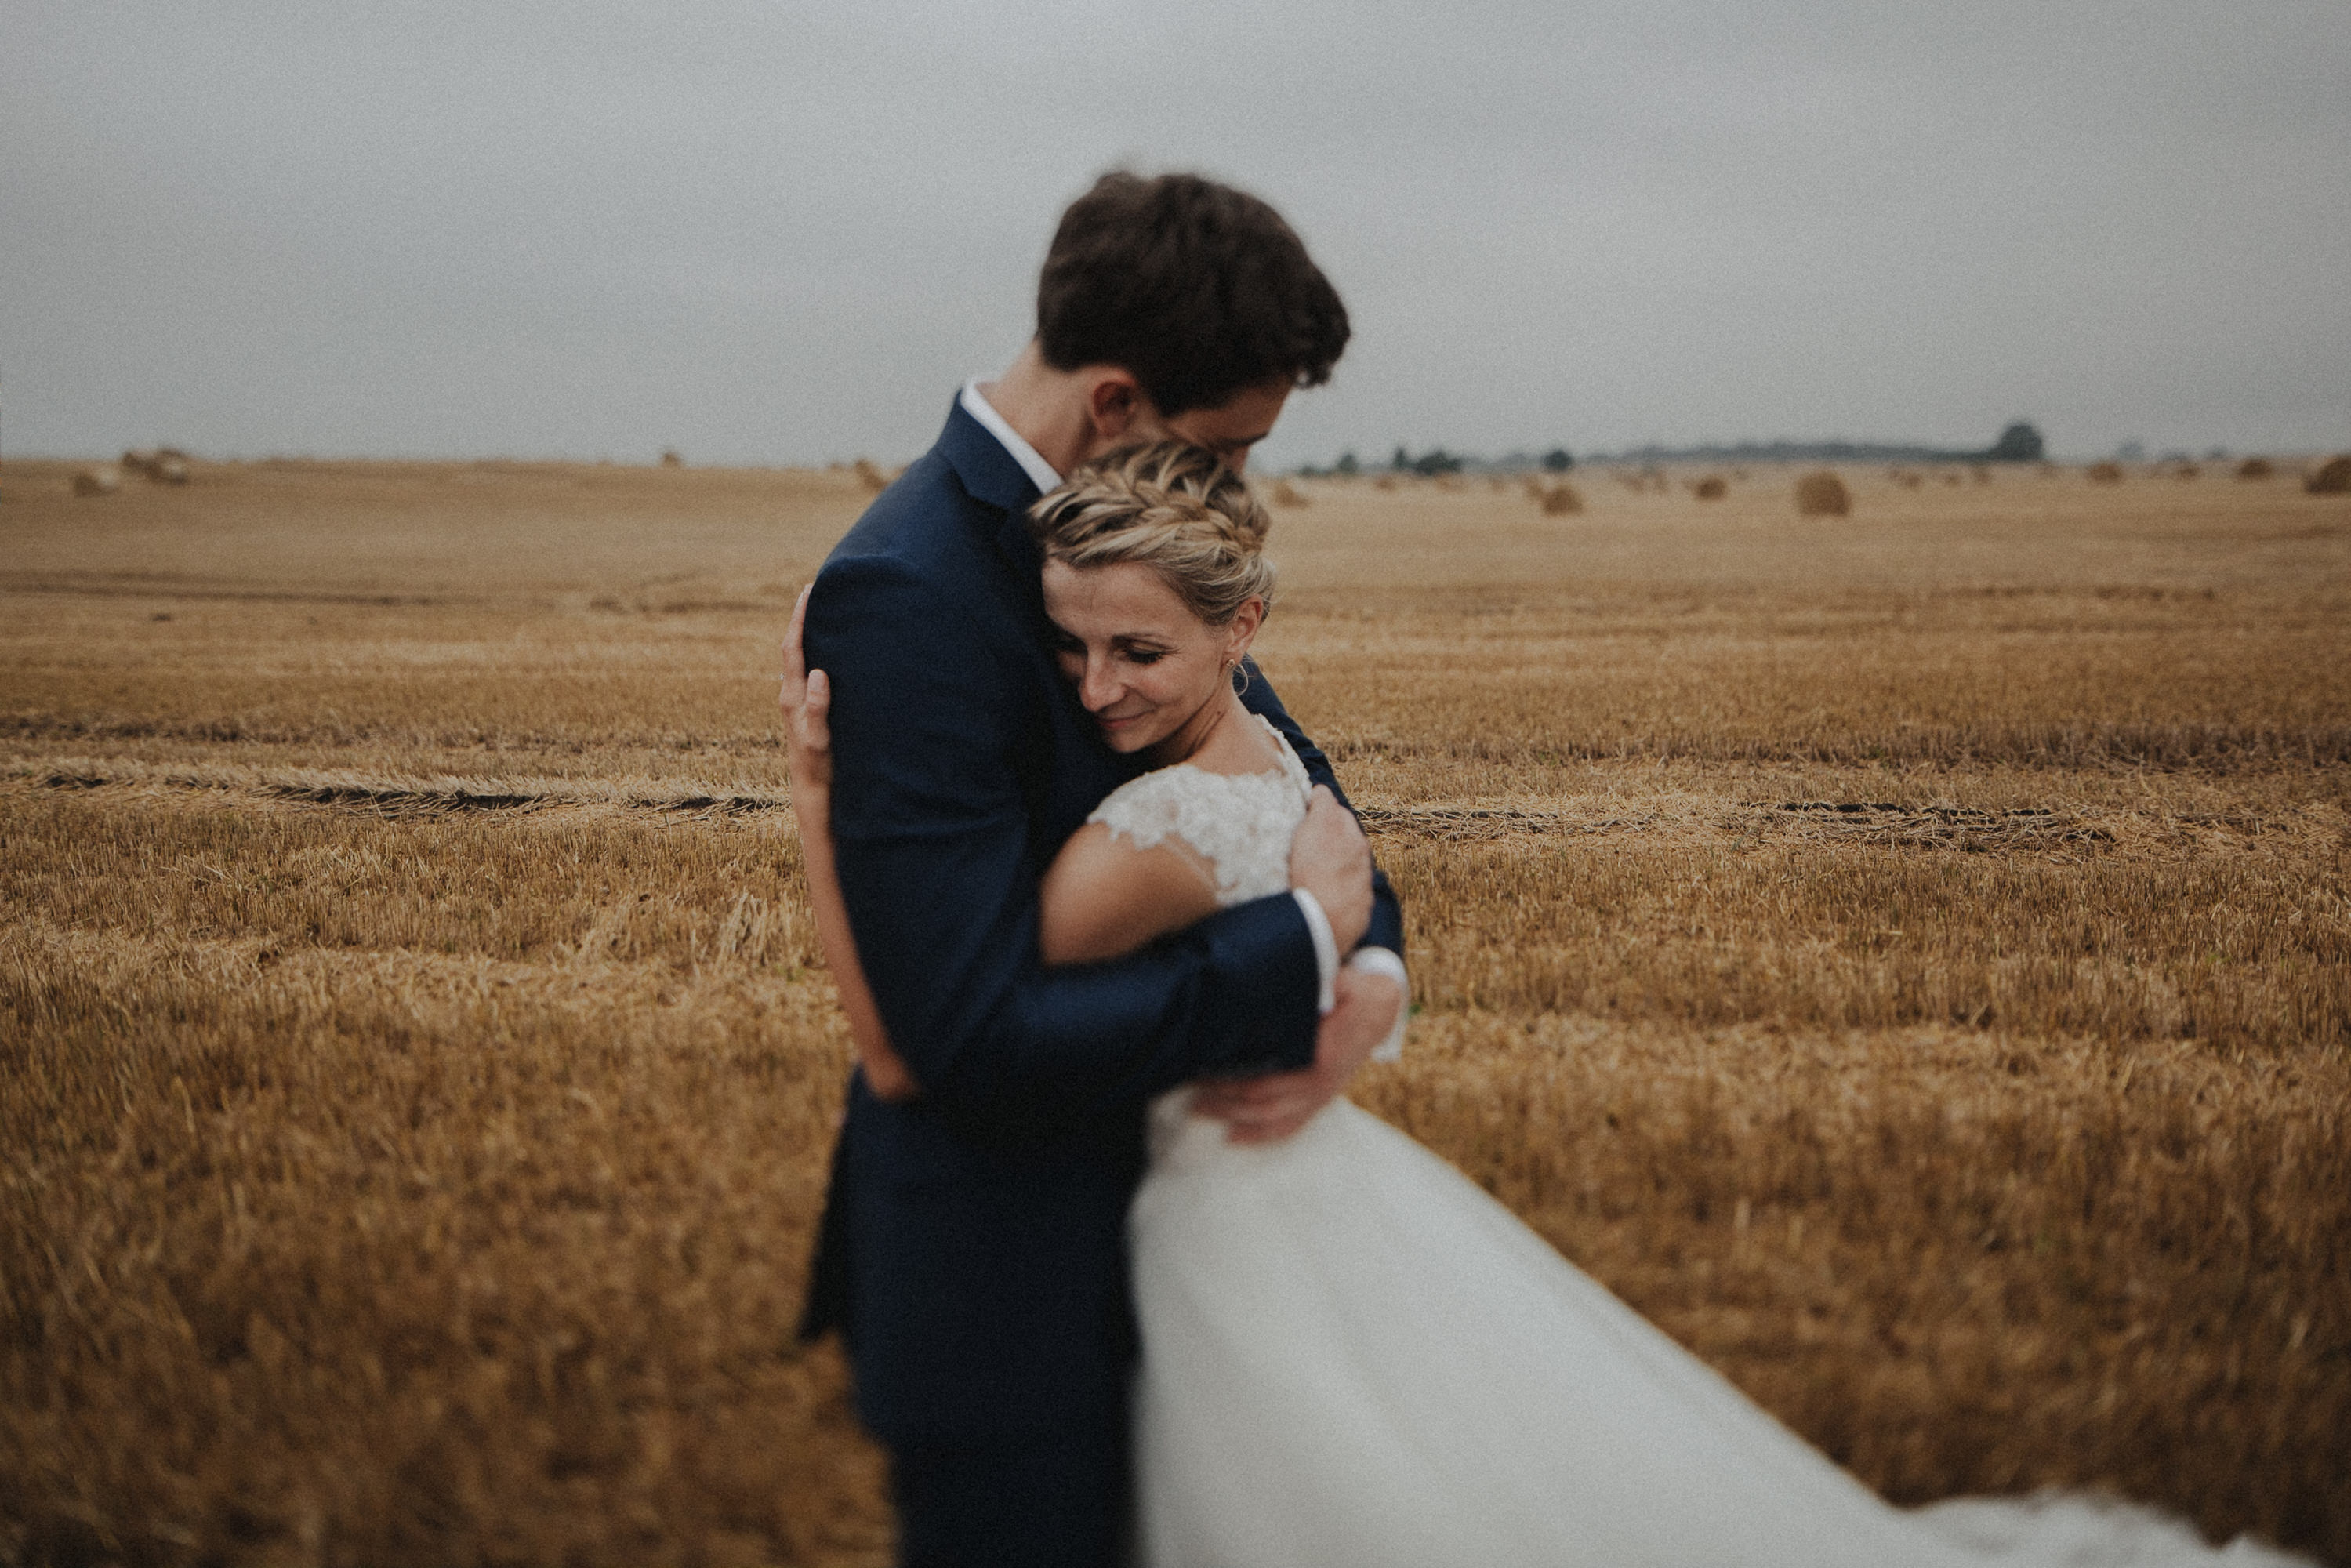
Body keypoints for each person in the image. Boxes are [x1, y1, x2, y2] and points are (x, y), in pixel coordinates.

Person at [784, 441, 2313, 1568]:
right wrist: (1347, 952)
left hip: (1214, 1226)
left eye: (1135, 651)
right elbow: (1320, 865)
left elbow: (933, 1026)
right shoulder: (1262, 759)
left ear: (1240, 628)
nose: (1093, 686)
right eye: (1069, 647)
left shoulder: (1144, 838)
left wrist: (816, 801)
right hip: (1308, 1179)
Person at [787, 171, 1407, 1567]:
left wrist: (1367, 969)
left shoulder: (1132, 541)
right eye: (1228, 449)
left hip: (1211, 1257)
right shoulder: (905, 594)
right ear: (1118, 405)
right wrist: (1296, 958)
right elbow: (960, 1031)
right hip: (1012, 1293)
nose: (1234, 490)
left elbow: (1287, 784)